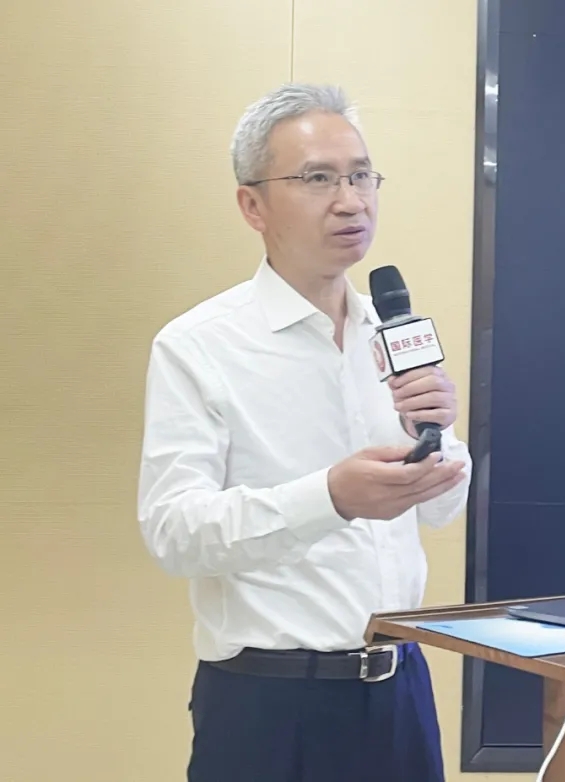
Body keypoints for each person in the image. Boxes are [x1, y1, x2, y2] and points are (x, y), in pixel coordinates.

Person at [136, 83, 472, 782]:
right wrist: (331, 498)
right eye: (318, 179)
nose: (351, 201)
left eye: (361, 175)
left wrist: (440, 441)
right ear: (252, 205)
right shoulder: (199, 345)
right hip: (268, 705)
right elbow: (174, 532)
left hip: (401, 689)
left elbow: (442, 510)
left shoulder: (393, 332)